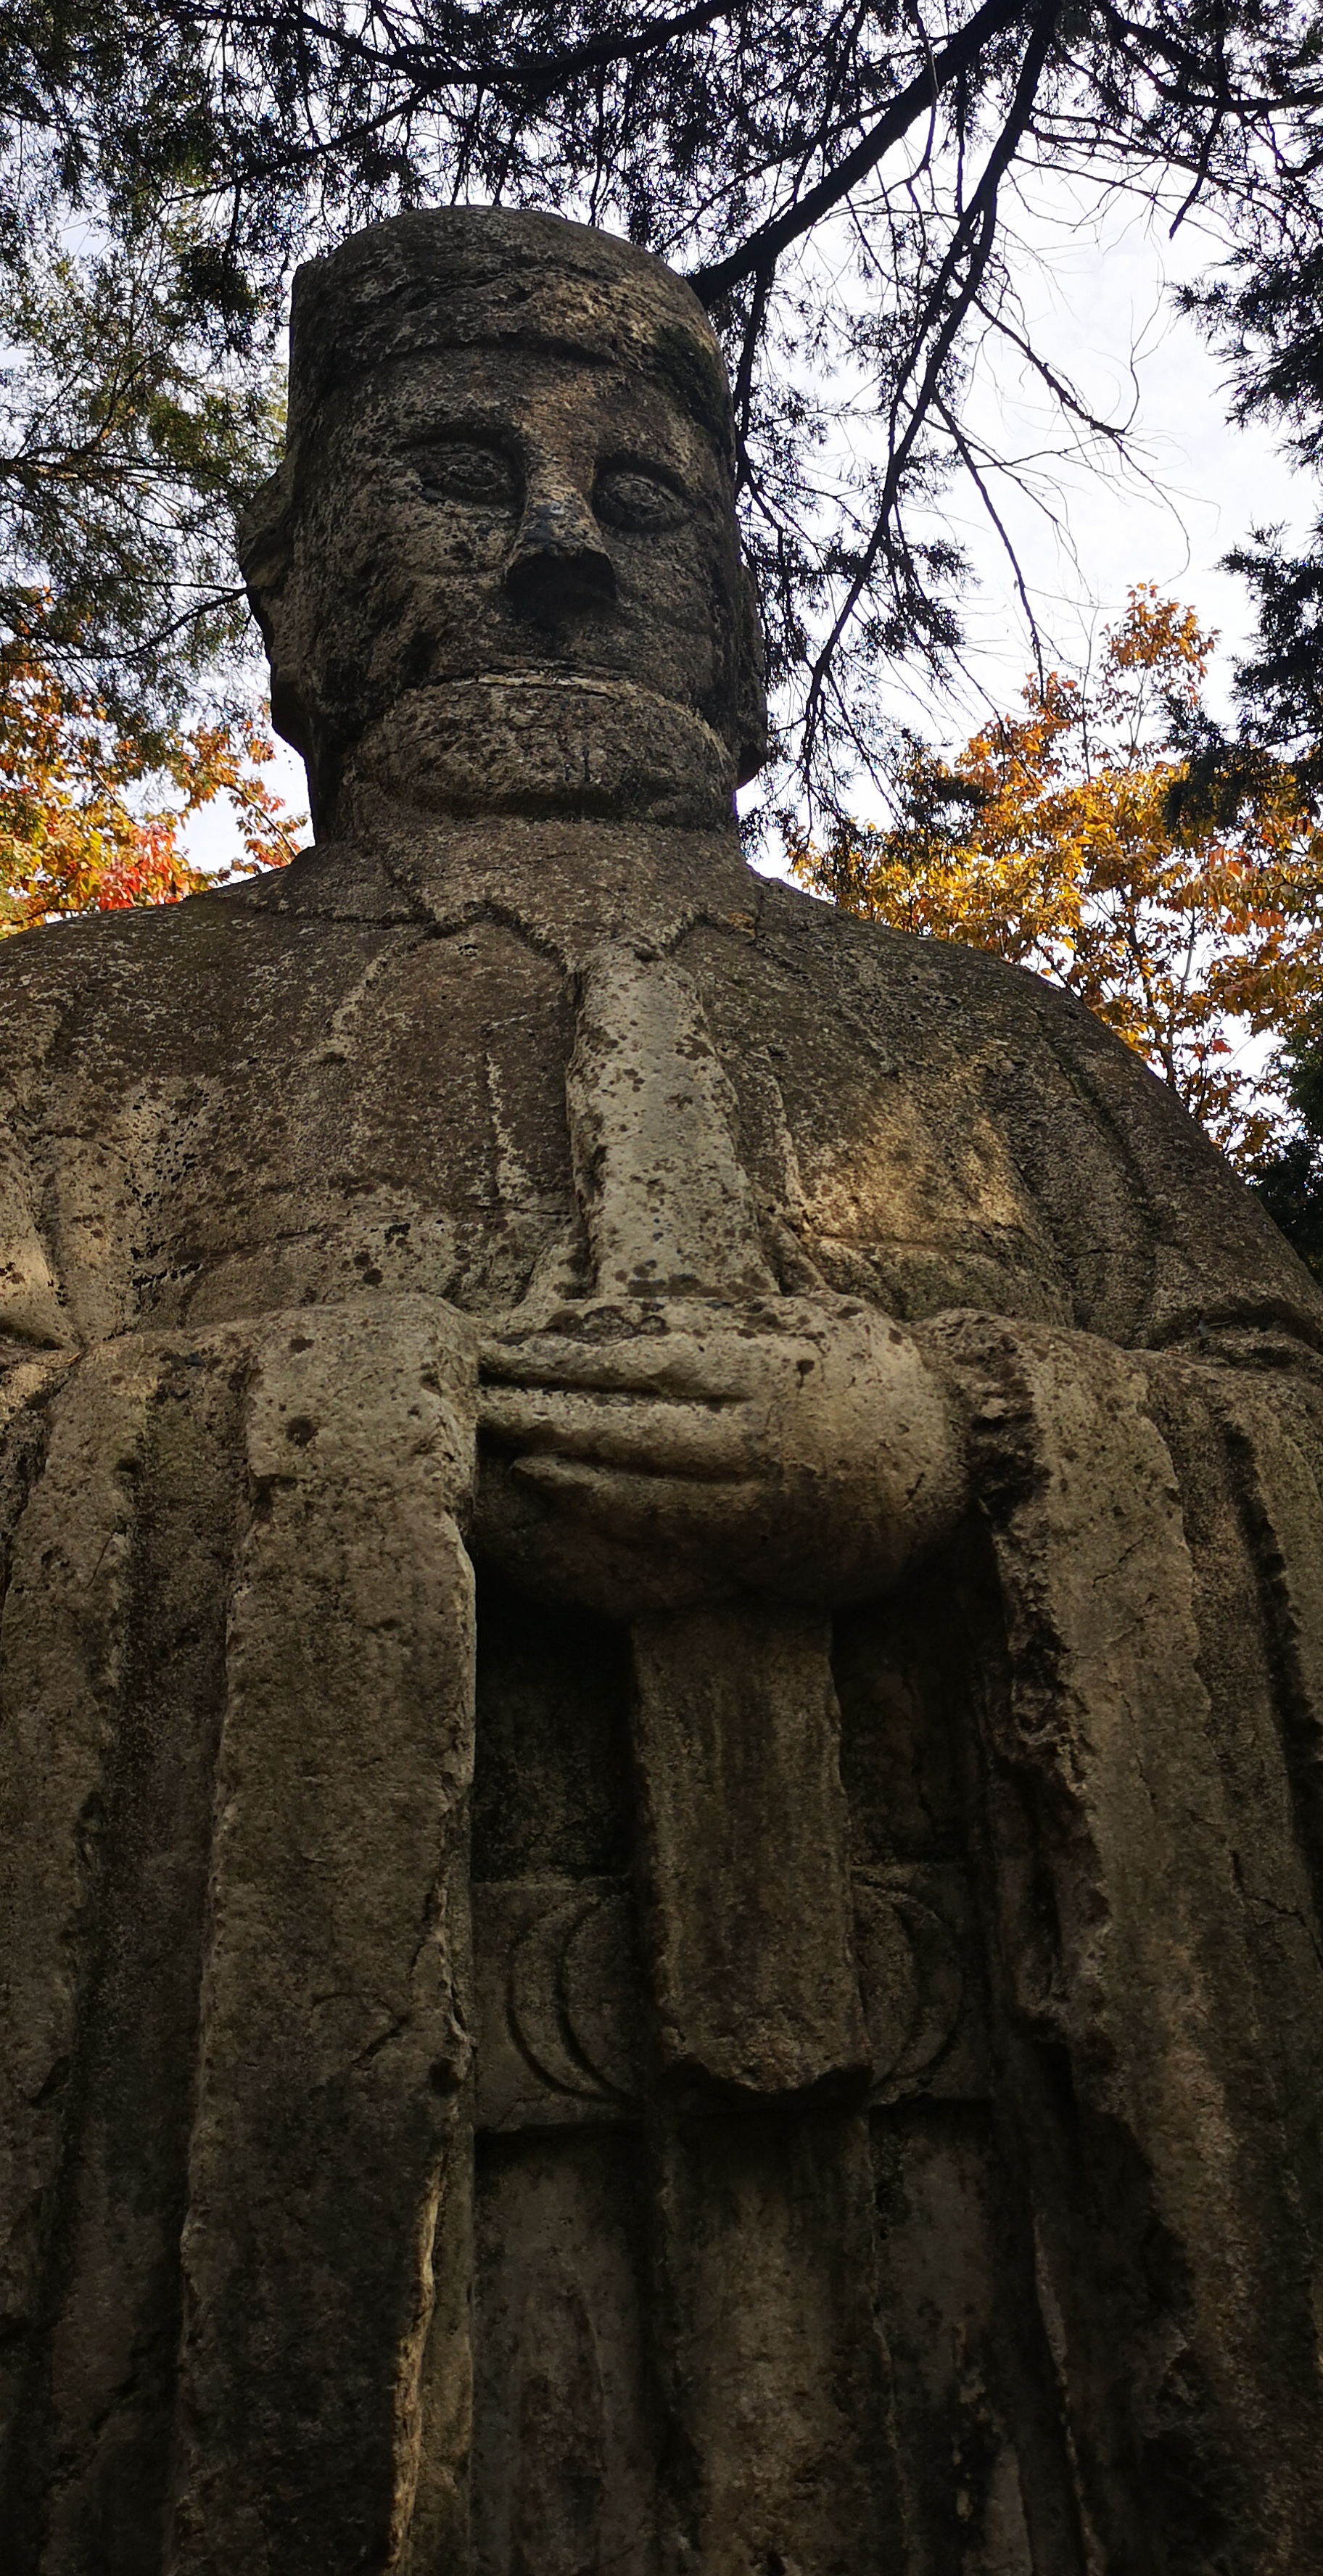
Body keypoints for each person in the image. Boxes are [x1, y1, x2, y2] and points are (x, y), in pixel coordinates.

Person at [2, 206, 1322, 2575]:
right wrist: (395, 1446)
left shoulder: (1009, 1060)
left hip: (1007, 2219)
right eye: (458, 479)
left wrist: (966, 1449)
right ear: (288, 591)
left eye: (642, 504)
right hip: (349, 2223)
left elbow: (1284, 1430)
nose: (556, 556)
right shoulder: (72, 1052)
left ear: (745, 622)